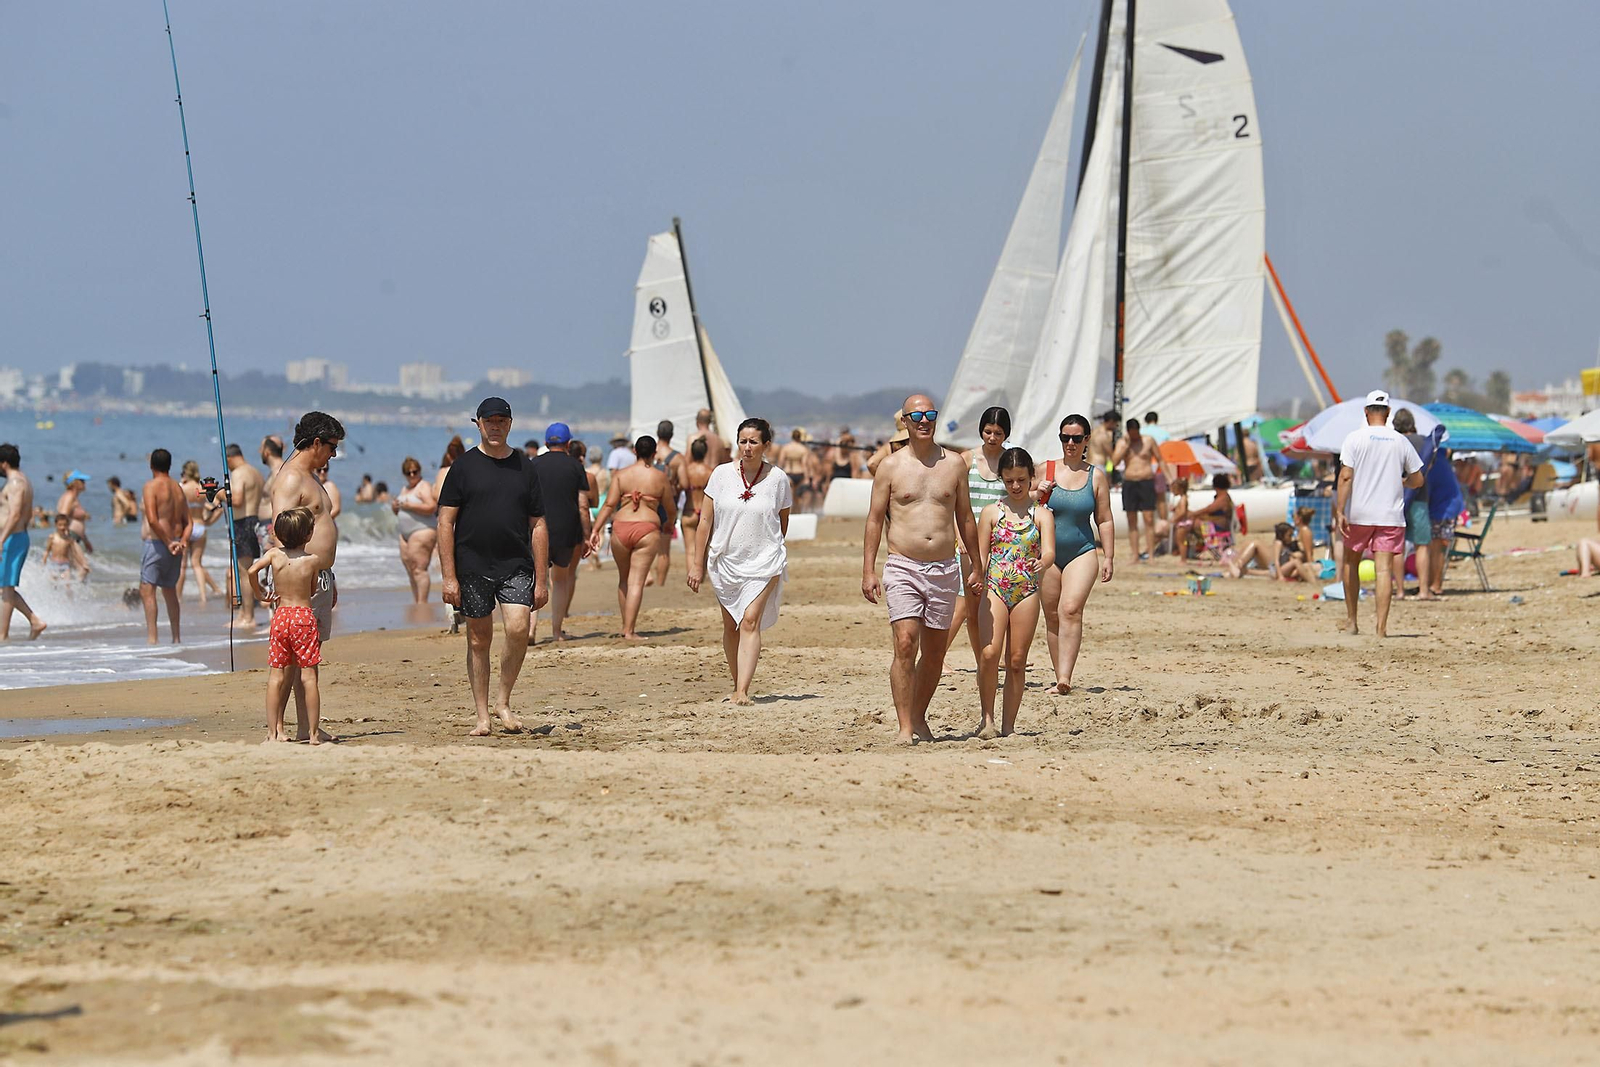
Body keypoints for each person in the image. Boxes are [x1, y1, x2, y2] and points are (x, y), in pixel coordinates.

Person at [861, 394, 983, 743]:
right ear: (905, 422)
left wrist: (976, 564)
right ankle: (904, 727)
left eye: (930, 414)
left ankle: (918, 716)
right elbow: (874, 520)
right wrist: (868, 570)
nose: (924, 421)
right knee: (905, 643)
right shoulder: (890, 467)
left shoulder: (954, 464)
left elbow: (965, 517)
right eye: (917, 416)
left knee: (934, 654)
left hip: (944, 567)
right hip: (903, 565)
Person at [438, 397, 551, 735]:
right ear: (478, 424)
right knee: (478, 640)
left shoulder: (525, 466)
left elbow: (539, 524)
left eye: (502, 421)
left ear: (511, 424)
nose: (496, 427)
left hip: (515, 564)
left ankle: (503, 701)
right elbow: (445, 522)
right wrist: (449, 577)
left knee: (518, 629)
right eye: (489, 421)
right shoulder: (463, 467)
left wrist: (541, 580)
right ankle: (482, 715)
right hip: (472, 566)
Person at [687, 417, 792, 704]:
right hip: (726, 561)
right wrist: (697, 563)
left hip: (764, 561)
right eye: (743, 441)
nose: (747, 447)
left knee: (749, 620)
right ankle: (737, 684)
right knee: (731, 625)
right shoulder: (720, 474)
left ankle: (743, 690)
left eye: (753, 442)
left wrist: (770, 546)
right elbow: (705, 522)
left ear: (765, 445)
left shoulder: (778, 479)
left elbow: (782, 522)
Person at [270, 413, 345, 740]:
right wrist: (289, 583)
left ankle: (305, 726)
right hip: (299, 580)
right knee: (288, 659)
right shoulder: (291, 479)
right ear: (316, 442)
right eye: (331, 447)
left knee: (307, 657)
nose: (333, 454)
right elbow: (280, 534)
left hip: (319, 576)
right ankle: (276, 728)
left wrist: (329, 576)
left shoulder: (311, 477)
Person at [975, 447, 1054, 738]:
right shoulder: (991, 513)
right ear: (1002, 479)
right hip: (994, 587)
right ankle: (987, 719)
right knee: (989, 653)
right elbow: (982, 555)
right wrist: (977, 575)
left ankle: (1008, 726)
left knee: (1017, 661)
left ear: (1031, 477)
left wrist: (1043, 561)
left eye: (1021, 479)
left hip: (1027, 590)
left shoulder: (1041, 515)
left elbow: (1049, 551)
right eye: (1009, 481)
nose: (1016, 486)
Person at [1334, 390, 1424, 637]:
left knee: (1351, 563)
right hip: (1390, 515)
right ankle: (1381, 628)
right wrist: (1403, 481)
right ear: (1388, 412)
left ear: (1366, 412)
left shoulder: (1354, 439)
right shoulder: (1400, 441)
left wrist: (1340, 510)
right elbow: (1418, 479)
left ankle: (1352, 621)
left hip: (1360, 513)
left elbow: (1345, 476)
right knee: (1383, 570)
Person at [1036, 415, 1114, 694]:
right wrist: (1036, 493)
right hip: (1047, 553)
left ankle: (1065, 678)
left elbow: (1104, 519)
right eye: (1065, 437)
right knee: (1052, 615)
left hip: (1081, 551)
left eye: (1076, 438)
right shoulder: (1045, 470)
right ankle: (1059, 675)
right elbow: (1020, 500)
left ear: (1086, 440)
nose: (1070, 443)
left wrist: (1109, 556)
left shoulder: (1096, 476)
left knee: (1070, 609)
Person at [248, 506, 330, 745]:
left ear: (278, 534)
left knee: (276, 676)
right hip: (303, 617)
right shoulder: (312, 560)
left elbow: (252, 570)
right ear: (308, 534)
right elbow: (312, 589)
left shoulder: (274, 554)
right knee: (309, 677)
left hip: (281, 616)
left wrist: (260, 593)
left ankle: (272, 733)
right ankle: (313, 733)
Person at [588, 435, 675, 640]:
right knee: (636, 582)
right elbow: (670, 508)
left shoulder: (621, 475)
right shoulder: (660, 476)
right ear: (654, 453)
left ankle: (624, 626)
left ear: (634, 451)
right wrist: (669, 524)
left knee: (624, 580)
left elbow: (609, 504)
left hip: (620, 527)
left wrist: (595, 529)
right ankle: (629, 631)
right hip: (647, 528)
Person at [947, 407, 1010, 669]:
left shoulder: (1009, 461)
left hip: (1000, 544)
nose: (992, 437)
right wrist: (959, 536)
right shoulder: (966, 460)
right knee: (966, 605)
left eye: (998, 433)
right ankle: (935, 657)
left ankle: (986, 660)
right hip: (968, 543)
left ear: (1006, 434)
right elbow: (953, 502)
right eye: (988, 431)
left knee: (990, 606)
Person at [533, 422, 591, 642]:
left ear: (546, 442)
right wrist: (587, 536)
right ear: (568, 443)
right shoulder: (576, 466)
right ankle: (556, 632)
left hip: (538, 529)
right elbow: (583, 505)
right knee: (560, 581)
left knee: (535, 579)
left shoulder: (534, 464)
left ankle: (530, 630)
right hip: (567, 531)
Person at [140, 449, 192, 645]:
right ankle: (176, 638)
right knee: (170, 591)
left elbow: (152, 520)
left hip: (158, 543)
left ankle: (152, 639)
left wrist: (168, 542)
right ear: (170, 465)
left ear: (151, 465)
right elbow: (189, 522)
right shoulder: (178, 488)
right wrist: (182, 541)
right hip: (176, 544)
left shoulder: (150, 486)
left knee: (147, 590)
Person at [0, 443, 46, 640]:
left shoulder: (16, 483)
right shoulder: (23, 480)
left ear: (3, 463)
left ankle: (3, 635)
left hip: (13, 538)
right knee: (5, 588)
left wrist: (1, 539)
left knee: (7, 589)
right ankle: (34, 621)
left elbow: (15, 513)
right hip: (15, 537)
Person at [1391, 409, 1435, 601]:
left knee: (1397, 546)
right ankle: (1423, 590)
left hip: (1395, 497)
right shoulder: (1423, 442)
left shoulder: (1392, 442)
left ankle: (1400, 591)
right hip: (1418, 497)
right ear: (1412, 423)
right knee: (1422, 545)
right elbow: (1429, 467)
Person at [222, 444, 265, 630]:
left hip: (243, 523)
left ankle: (248, 617)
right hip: (254, 520)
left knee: (244, 572)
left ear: (229, 458)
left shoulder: (239, 473)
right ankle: (243, 614)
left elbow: (237, 500)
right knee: (246, 570)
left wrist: (220, 494)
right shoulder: (256, 472)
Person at [1111, 417, 1161, 563]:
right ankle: (1135, 554)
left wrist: (1169, 478)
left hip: (1146, 480)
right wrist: (1126, 447)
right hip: (1130, 481)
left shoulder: (1148, 441)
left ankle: (1150, 554)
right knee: (1131, 519)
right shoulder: (1123, 443)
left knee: (1149, 519)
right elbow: (1114, 462)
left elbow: (1160, 459)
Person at [393, 457, 439, 604]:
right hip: (405, 534)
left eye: (415, 472)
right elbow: (400, 511)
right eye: (409, 473)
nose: (412, 475)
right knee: (410, 569)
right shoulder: (405, 489)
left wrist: (410, 506)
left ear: (419, 471)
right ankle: (417, 600)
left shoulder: (423, 486)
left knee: (419, 568)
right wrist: (395, 507)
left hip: (422, 530)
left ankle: (422, 602)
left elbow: (432, 507)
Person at [178, 460, 224, 605]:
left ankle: (178, 597)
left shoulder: (183, 488)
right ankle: (203, 597)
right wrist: (209, 522)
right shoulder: (202, 488)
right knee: (197, 564)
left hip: (186, 527)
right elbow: (219, 508)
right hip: (200, 526)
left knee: (182, 566)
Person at [1426, 434, 1465, 596]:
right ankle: (1433, 584)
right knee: (1437, 547)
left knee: (1436, 547)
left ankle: (1435, 585)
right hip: (1450, 508)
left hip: (1442, 510)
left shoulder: (1434, 463)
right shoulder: (1443, 462)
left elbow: (1428, 488)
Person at [650, 420, 685, 588]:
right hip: (667, 505)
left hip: (649, 504)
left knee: (646, 545)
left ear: (658, 433)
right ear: (672, 435)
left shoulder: (649, 453)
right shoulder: (677, 458)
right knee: (664, 551)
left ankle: (646, 577)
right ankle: (660, 585)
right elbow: (684, 483)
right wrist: (674, 486)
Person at [680, 437, 713, 567]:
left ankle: (691, 576)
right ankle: (701, 576)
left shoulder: (687, 471)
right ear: (705, 453)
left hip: (689, 510)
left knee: (690, 551)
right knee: (703, 550)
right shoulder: (710, 472)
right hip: (705, 514)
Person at [255, 435, 285, 549]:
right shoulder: (274, 471)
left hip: (271, 528)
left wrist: (272, 537)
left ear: (267, 451)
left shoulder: (279, 472)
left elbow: (283, 505)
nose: (259, 451)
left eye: (261, 448)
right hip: (266, 527)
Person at [55, 471, 93, 553]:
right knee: (80, 561)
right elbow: (62, 517)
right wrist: (66, 539)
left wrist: (85, 540)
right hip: (70, 536)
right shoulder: (69, 497)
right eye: (82, 481)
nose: (84, 483)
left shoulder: (74, 498)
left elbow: (75, 521)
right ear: (74, 483)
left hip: (75, 536)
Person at [44, 514, 91, 582]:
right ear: (55, 525)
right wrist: (43, 562)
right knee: (53, 583)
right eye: (60, 525)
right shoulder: (52, 537)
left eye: (65, 525)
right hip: (54, 564)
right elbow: (47, 551)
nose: (62, 527)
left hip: (65, 565)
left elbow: (75, 554)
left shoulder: (69, 540)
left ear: (68, 526)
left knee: (67, 583)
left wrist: (82, 564)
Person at [777, 429, 814, 512]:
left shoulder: (786, 448)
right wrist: (807, 478)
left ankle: (791, 513)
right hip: (799, 473)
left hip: (788, 472)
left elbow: (781, 462)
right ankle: (798, 512)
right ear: (800, 437)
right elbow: (804, 464)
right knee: (798, 496)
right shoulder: (803, 449)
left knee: (790, 495)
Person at [1087, 410, 1119, 476]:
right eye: (1116, 424)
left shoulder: (1093, 431)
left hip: (1089, 464)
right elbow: (1111, 454)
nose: (1116, 427)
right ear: (1111, 421)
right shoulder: (1105, 435)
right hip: (1099, 465)